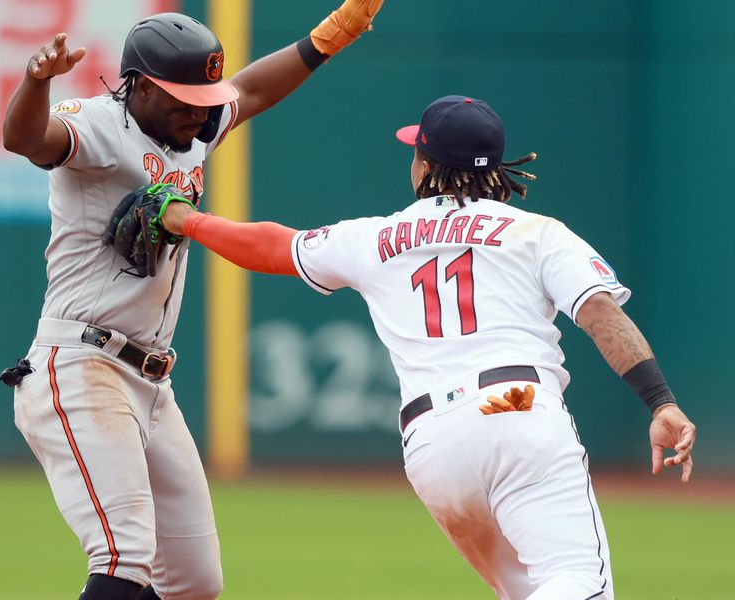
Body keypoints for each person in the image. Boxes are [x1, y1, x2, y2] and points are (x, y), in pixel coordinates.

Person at [158, 95, 697, 600]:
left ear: (425, 162)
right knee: (577, 580)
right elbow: (602, 315)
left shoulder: (377, 237)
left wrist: (188, 219)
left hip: (432, 445)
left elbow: (270, 247)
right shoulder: (538, 232)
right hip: (516, 410)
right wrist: (661, 401)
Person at [0, 4, 384, 599]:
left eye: (204, 96)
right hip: (81, 364)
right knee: (123, 559)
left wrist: (328, 37)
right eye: (183, 97)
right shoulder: (98, 123)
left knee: (195, 584)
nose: (199, 109)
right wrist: (37, 80)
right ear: (141, 86)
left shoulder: (191, 129)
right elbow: (25, 138)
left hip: (153, 381)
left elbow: (252, 90)